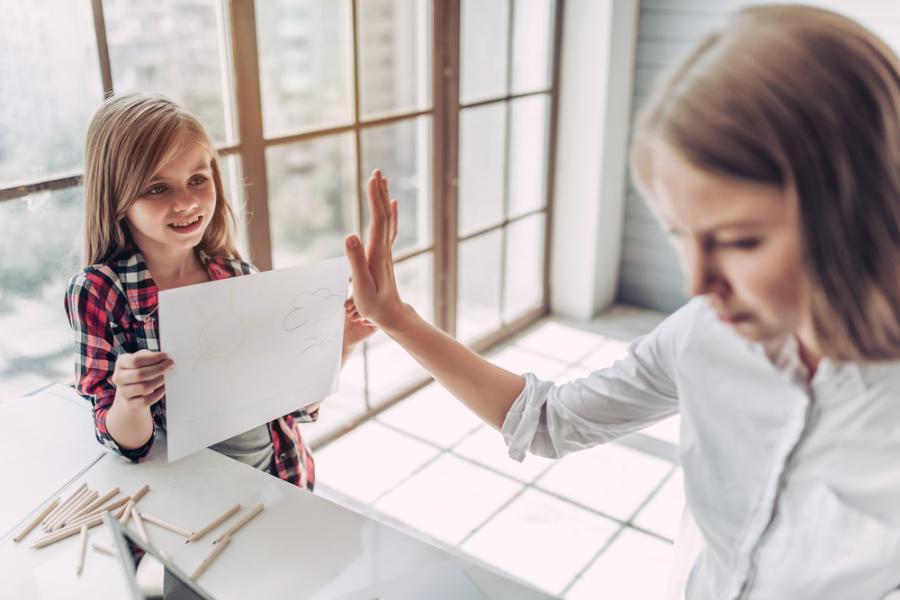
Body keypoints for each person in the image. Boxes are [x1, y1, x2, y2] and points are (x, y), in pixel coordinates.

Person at [344, 5, 900, 598]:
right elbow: (550, 422)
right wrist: (396, 320)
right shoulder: (702, 334)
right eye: (679, 235)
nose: (697, 283)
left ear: (858, 214)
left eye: (740, 241)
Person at [65, 93, 376, 491]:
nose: (187, 202)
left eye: (198, 179)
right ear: (117, 197)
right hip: (197, 499)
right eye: (157, 188)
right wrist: (130, 400)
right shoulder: (98, 292)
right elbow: (128, 446)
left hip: (283, 477)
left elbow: (293, 407)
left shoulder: (238, 275)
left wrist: (341, 345)